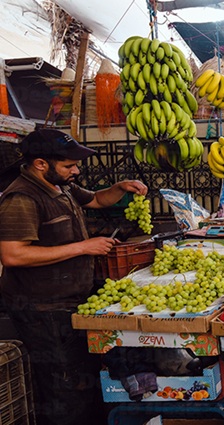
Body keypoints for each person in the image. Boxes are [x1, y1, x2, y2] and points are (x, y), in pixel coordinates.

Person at [0, 129, 148, 425]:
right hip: (43, 312)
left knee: (83, 380)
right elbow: (13, 254)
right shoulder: (22, 198)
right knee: (64, 389)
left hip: (71, 305)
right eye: (69, 165)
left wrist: (120, 187)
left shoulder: (60, 186)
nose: (76, 171)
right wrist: (83, 247)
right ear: (41, 163)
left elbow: (96, 200)